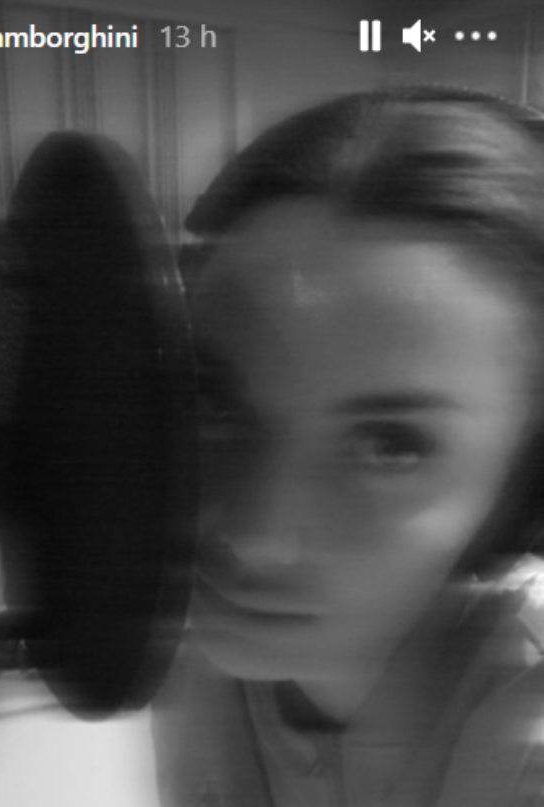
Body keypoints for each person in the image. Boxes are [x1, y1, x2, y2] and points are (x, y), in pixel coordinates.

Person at [152, 87, 544, 807]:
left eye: (391, 445)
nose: (255, 539)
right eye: (215, 402)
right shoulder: (197, 660)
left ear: (518, 495)